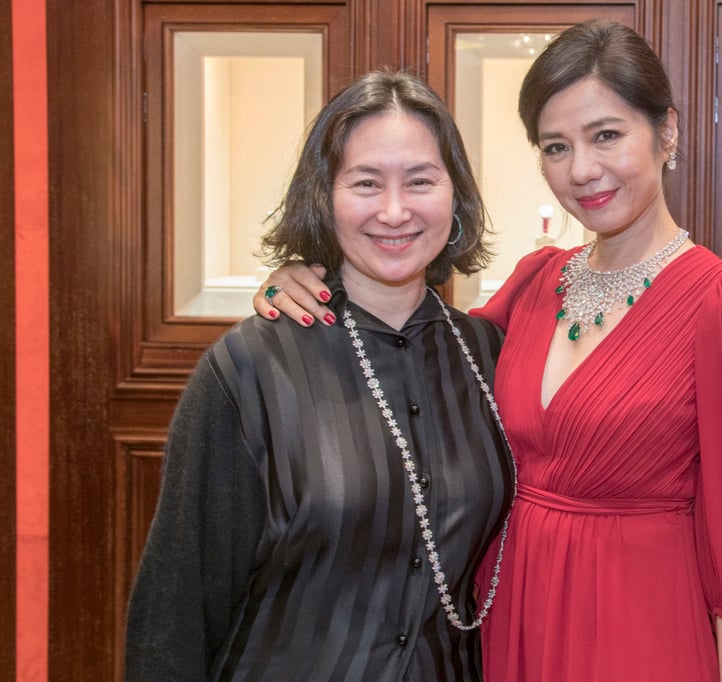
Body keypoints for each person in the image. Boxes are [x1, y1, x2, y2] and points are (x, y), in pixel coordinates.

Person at [254, 20, 722, 681]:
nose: (582, 170)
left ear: (666, 132)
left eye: (606, 135)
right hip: (509, 619)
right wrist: (309, 274)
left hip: (639, 629)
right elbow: (414, 361)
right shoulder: (534, 283)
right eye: (556, 146)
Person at [125, 70, 517, 681]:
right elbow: (176, 606)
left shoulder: (489, 354)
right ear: (324, 196)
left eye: (420, 181)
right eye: (365, 183)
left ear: (456, 195)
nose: (395, 210)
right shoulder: (252, 365)